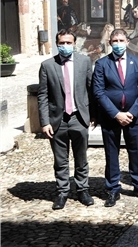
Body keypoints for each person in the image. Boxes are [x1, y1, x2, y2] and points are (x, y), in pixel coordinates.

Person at [93, 28, 138, 207]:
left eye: (121, 40)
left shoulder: (137, 62)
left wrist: (132, 112)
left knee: (135, 152)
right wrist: (115, 114)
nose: (118, 44)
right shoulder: (102, 64)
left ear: (127, 42)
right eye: (115, 41)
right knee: (112, 154)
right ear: (110, 43)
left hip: (133, 116)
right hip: (111, 117)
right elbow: (98, 91)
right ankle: (112, 189)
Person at [38, 30, 95, 210]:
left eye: (68, 43)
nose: (65, 46)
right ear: (57, 44)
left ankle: (82, 190)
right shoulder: (47, 65)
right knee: (60, 160)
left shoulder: (84, 62)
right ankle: (62, 192)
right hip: (58, 120)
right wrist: (44, 121)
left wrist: (93, 115)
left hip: (79, 118)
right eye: (61, 43)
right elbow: (43, 96)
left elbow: (90, 89)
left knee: (81, 157)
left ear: (74, 43)